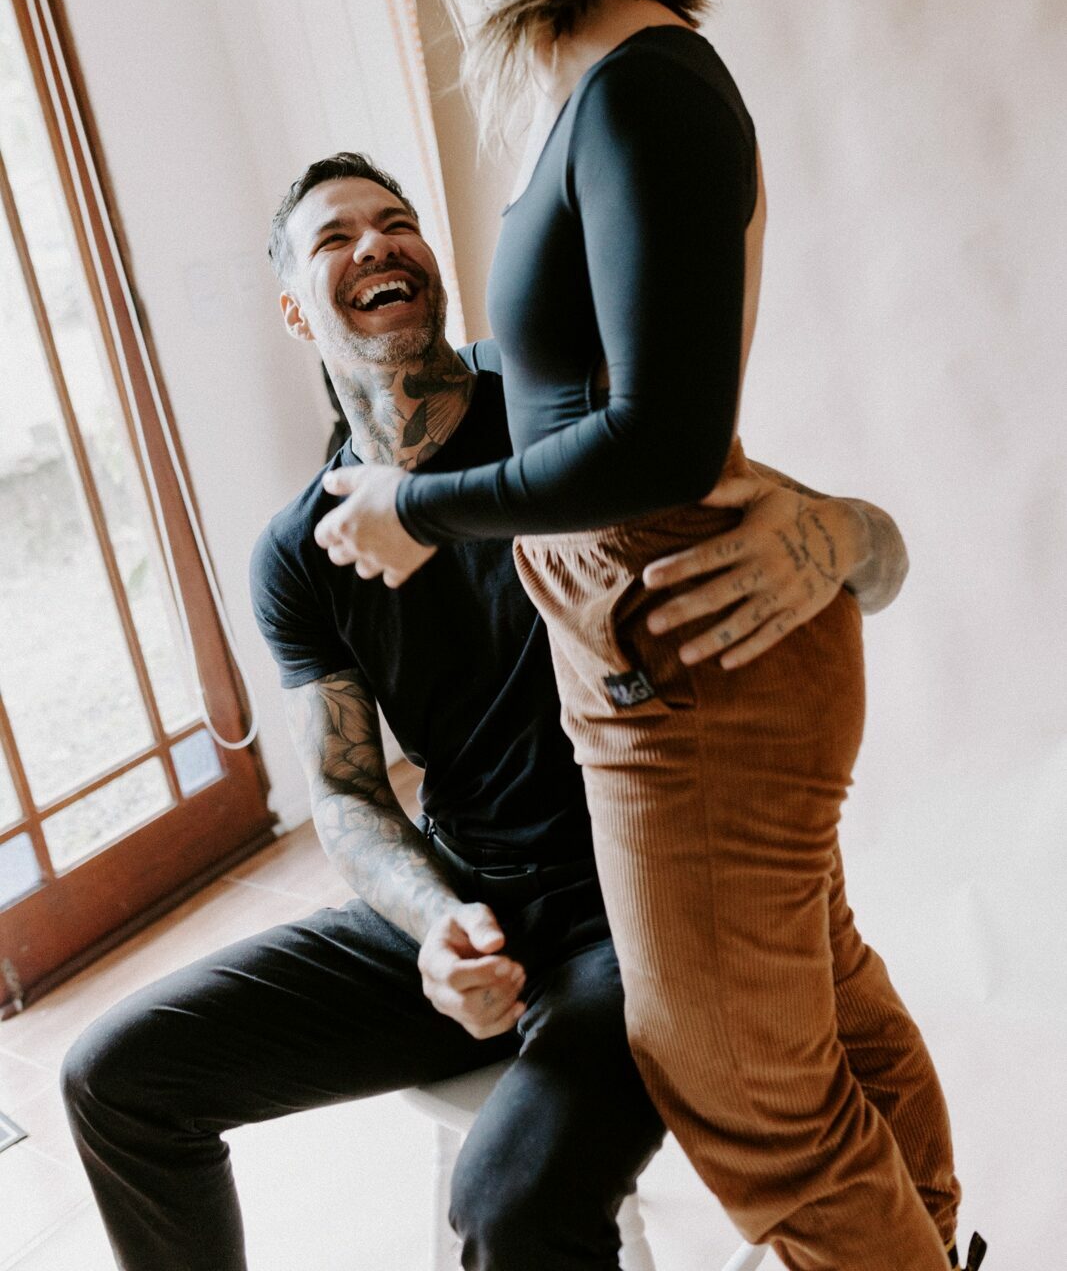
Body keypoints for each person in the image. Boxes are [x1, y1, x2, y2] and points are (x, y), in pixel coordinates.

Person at [312, 0, 984, 1271]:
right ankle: (937, 1245)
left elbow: (660, 442)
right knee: (816, 1008)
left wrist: (416, 513)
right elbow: (591, 396)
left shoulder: (643, 90)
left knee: (754, 1107)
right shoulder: (601, 92)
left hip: (683, 657)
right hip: (659, 651)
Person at [62, 152, 921, 1271]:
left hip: (640, 908)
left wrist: (840, 538)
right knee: (114, 1078)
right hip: (466, 899)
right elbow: (346, 791)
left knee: (508, 1204)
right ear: (293, 310)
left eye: (396, 222)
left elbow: (875, 550)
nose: (375, 243)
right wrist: (433, 924)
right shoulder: (297, 552)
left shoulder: (561, 426)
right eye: (334, 237)